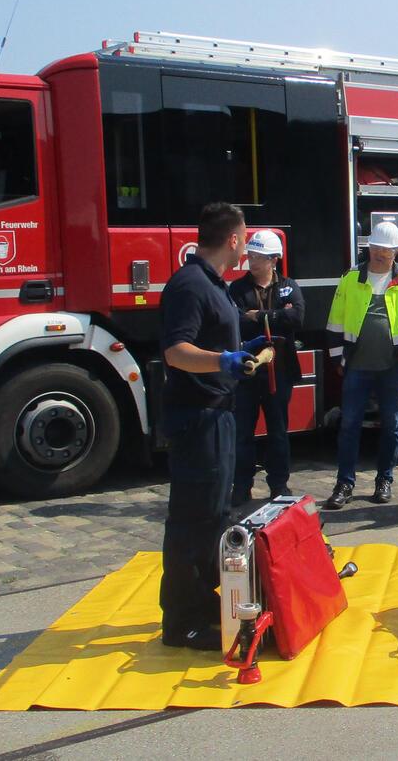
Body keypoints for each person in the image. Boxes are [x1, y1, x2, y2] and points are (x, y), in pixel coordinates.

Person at [158, 202, 265, 650]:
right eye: (245, 237)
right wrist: (222, 360)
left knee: (214, 517)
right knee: (193, 522)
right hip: (196, 420)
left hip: (218, 415)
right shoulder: (190, 285)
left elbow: (212, 336)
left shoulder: (214, 285)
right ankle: (184, 621)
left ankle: (204, 607)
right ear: (235, 239)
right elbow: (175, 351)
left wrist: (244, 348)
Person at [322, 220, 398, 509]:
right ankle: (344, 483)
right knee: (349, 426)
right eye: (375, 249)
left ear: (395, 252)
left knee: (392, 426)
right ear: (368, 248)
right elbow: (335, 320)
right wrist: (338, 358)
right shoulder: (351, 278)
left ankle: (385, 480)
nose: (379, 255)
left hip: (393, 368)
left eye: (385, 251)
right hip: (357, 366)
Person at [228, 229, 304, 505]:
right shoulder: (237, 289)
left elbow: (297, 317)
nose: (251, 260)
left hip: (280, 371)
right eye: (250, 254)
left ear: (274, 260)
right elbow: (237, 321)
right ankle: (241, 486)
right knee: (243, 433)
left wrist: (259, 315)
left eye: (258, 256)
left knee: (278, 431)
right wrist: (276, 316)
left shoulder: (289, 286)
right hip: (247, 372)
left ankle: (279, 486)